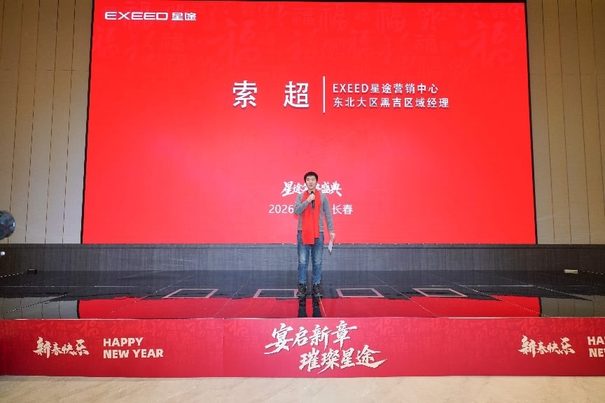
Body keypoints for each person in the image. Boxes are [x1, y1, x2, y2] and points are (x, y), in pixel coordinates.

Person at [293, 171, 335, 317]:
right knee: (302, 262)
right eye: (308, 180)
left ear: (317, 182)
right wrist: (307, 200)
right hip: (303, 233)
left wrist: (331, 230)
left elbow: (328, 214)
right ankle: (302, 287)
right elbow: (296, 211)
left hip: (319, 233)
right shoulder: (300, 196)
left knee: (317, 262)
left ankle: (316, 286)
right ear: (305, 182)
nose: (310, 182)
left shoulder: (323, 196)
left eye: (313, 179)